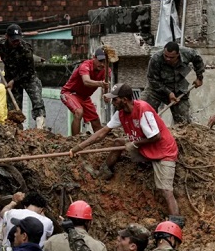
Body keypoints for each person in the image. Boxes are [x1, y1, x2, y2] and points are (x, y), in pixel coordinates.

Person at [68, 83, 183, 224]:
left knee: (165, 190)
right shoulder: (120, 114)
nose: (112, 102)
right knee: (118, 142)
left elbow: (156, 136)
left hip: (163, 152)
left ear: (124, 99)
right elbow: (102, 133)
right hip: (144, 149)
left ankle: (176, 223)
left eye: (115, 99)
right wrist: (78, 148)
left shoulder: (143, 110)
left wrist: (134, 144)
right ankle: (104, 172)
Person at [0, 23, 46, 129]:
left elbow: (29, 71)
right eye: (13, 40)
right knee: (13, 108)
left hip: (28, 77)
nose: (16, 42)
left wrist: (14, 80)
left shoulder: (26, 49)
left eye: (18, 39)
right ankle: (16, 130)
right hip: (11, 77)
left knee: (37, 101)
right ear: (7, 37)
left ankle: (40, 127)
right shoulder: (0, 43)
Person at [141, 41, 205, 124]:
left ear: (178, 54)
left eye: (171, 57)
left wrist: (199, 77)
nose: (168, 59)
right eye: (166, 56)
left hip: (177, 89)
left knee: (184, 122)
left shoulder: (187, 53)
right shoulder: (156, 58)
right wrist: (168, 93)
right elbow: (152, 79)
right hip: (156, 89)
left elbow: (198, 59)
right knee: (142, 109)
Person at [61, 48, 110, 136]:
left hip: (85, 97)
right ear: (93, 58)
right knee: (79, 112)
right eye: (100, 61)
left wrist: (106, 95)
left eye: (104, 62)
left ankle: (100, 143)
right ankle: (75, 140)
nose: (102, 64)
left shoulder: (107, 71)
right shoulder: (85, 66)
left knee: (96, 122)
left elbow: (106, 87)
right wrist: (100, 84)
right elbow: (86, 81)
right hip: (69, 93)